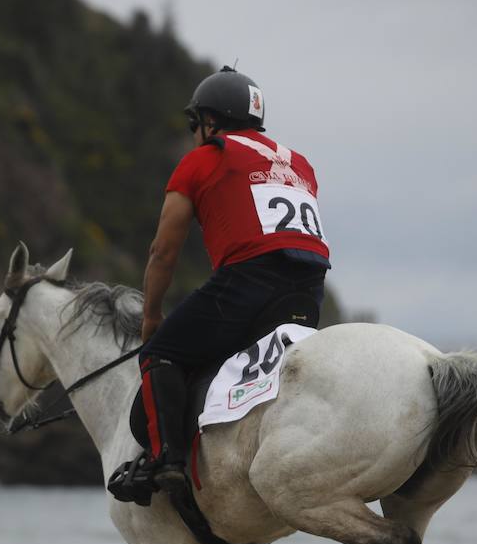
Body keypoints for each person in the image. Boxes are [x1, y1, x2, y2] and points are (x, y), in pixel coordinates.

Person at [127, 66, 332, 495]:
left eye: (195, 124)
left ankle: (168, 462)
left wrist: (150, 318)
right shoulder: (300, 163)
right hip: (309, 293)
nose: (194, 133)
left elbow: (163, 253)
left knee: (161, 354)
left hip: (249, 284)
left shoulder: (205, 157)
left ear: (212, 121)